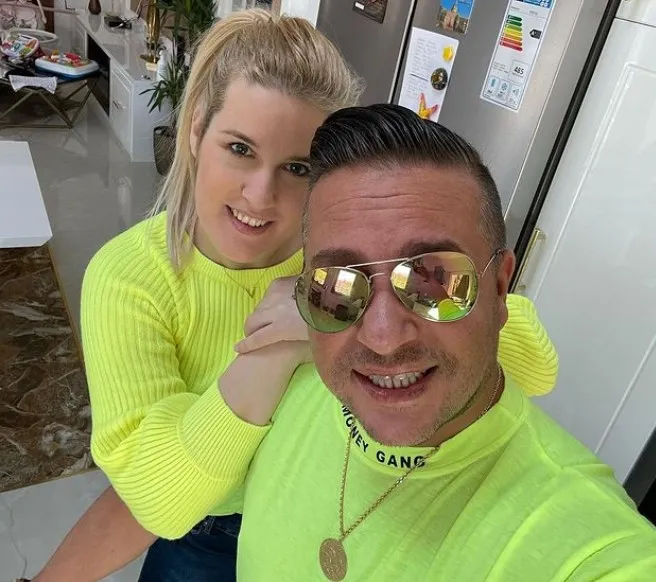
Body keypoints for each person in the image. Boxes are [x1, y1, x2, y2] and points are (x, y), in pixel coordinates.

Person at [32, 15, 558, 582]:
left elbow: (536, 367)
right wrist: (281, 346)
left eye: (298, 167)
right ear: (195, 132)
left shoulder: (343, 255)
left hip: (342, 505)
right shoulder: (131, 277)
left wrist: (369, 303)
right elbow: (158, 499)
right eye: (239, 148)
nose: (260, 196)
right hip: (211, 535)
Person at [231, 105, 654, 580]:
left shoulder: (590, 548)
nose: (383, 337)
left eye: (435, 280)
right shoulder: (288, 385)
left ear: (500, 288)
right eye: (338, 285)